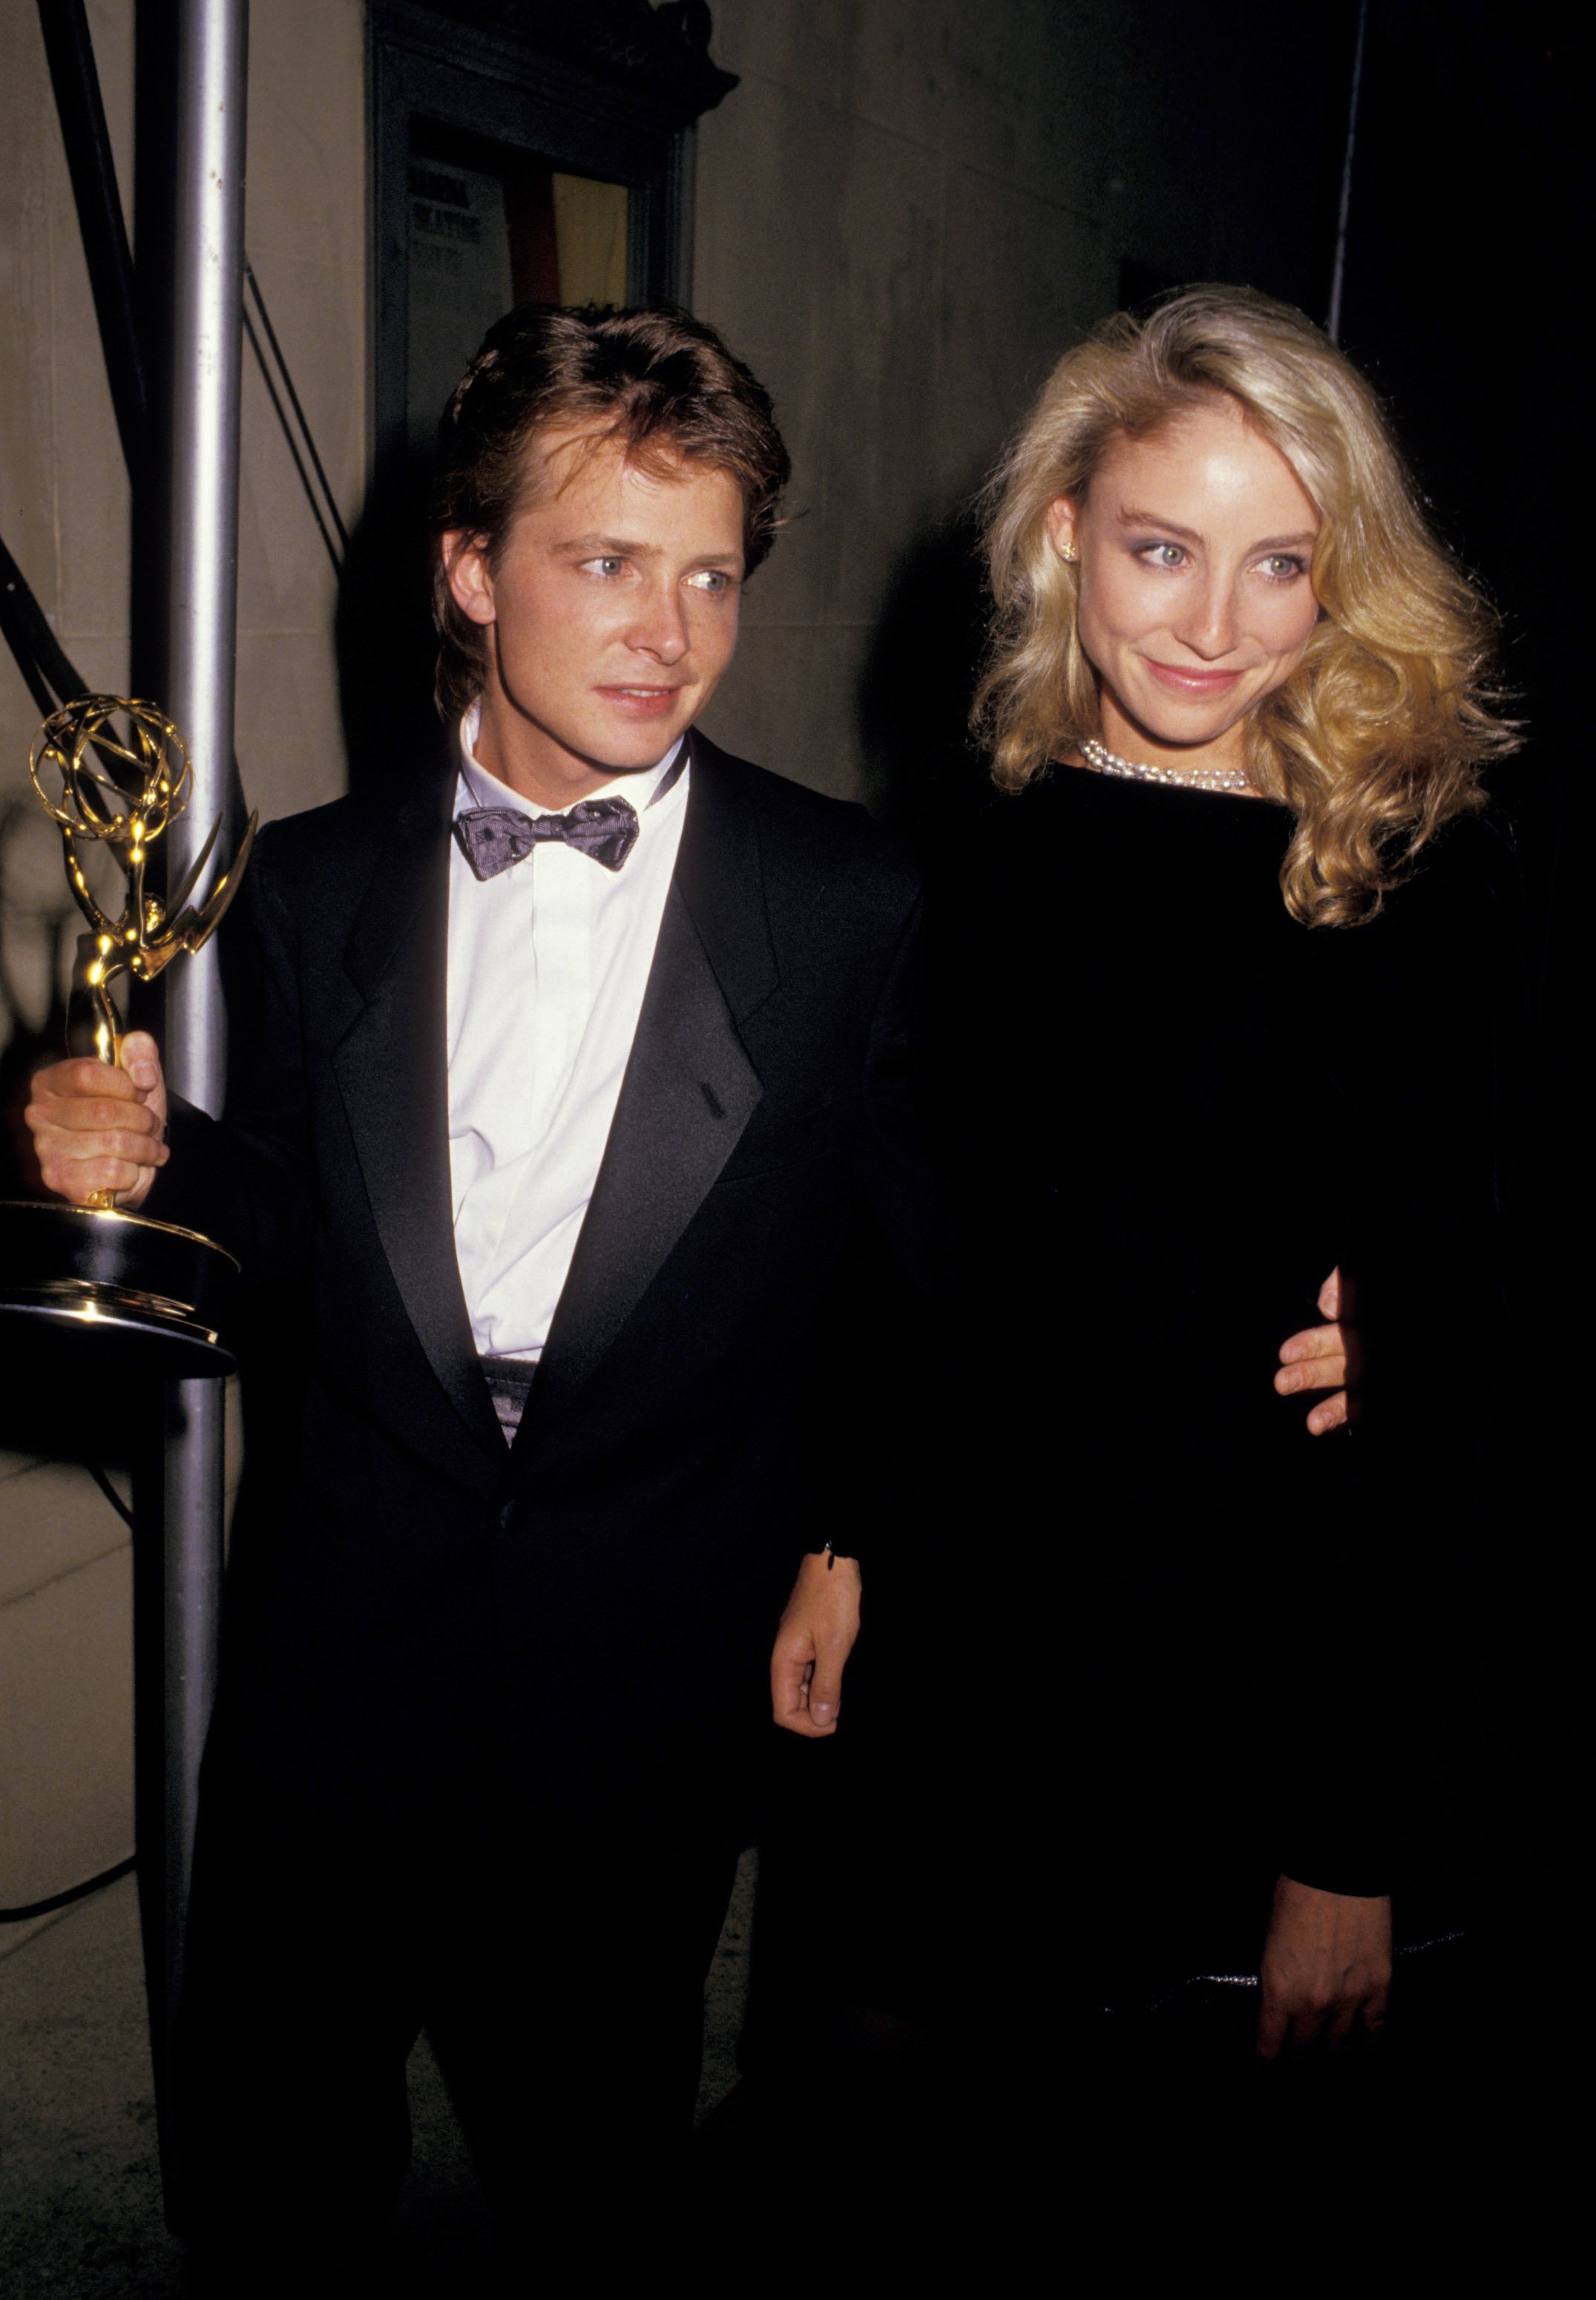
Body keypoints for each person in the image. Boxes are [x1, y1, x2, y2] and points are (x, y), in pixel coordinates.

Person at [25, 304, 927, 2283]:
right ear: (468, 566)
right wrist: (145, 1155)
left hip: (647, 1658)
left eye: (708, 575)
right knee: (278, 2176)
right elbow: (286, 1220)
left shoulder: (850, 902)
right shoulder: (310, 882)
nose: (669, 633)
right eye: (605, 561)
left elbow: (904, 1269)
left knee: (596, 2170)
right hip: (336, 1635)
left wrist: (849, 1537)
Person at [923, 287, 1520, 2134]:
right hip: (986, 1668)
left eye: (1281, 565)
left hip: (1255, 1680)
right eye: (1163, 548)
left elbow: (1434, 1425)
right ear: (1060, 536)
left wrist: (1348, 1841)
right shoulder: (975, 849)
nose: (1210, 621)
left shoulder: (1407, 886)